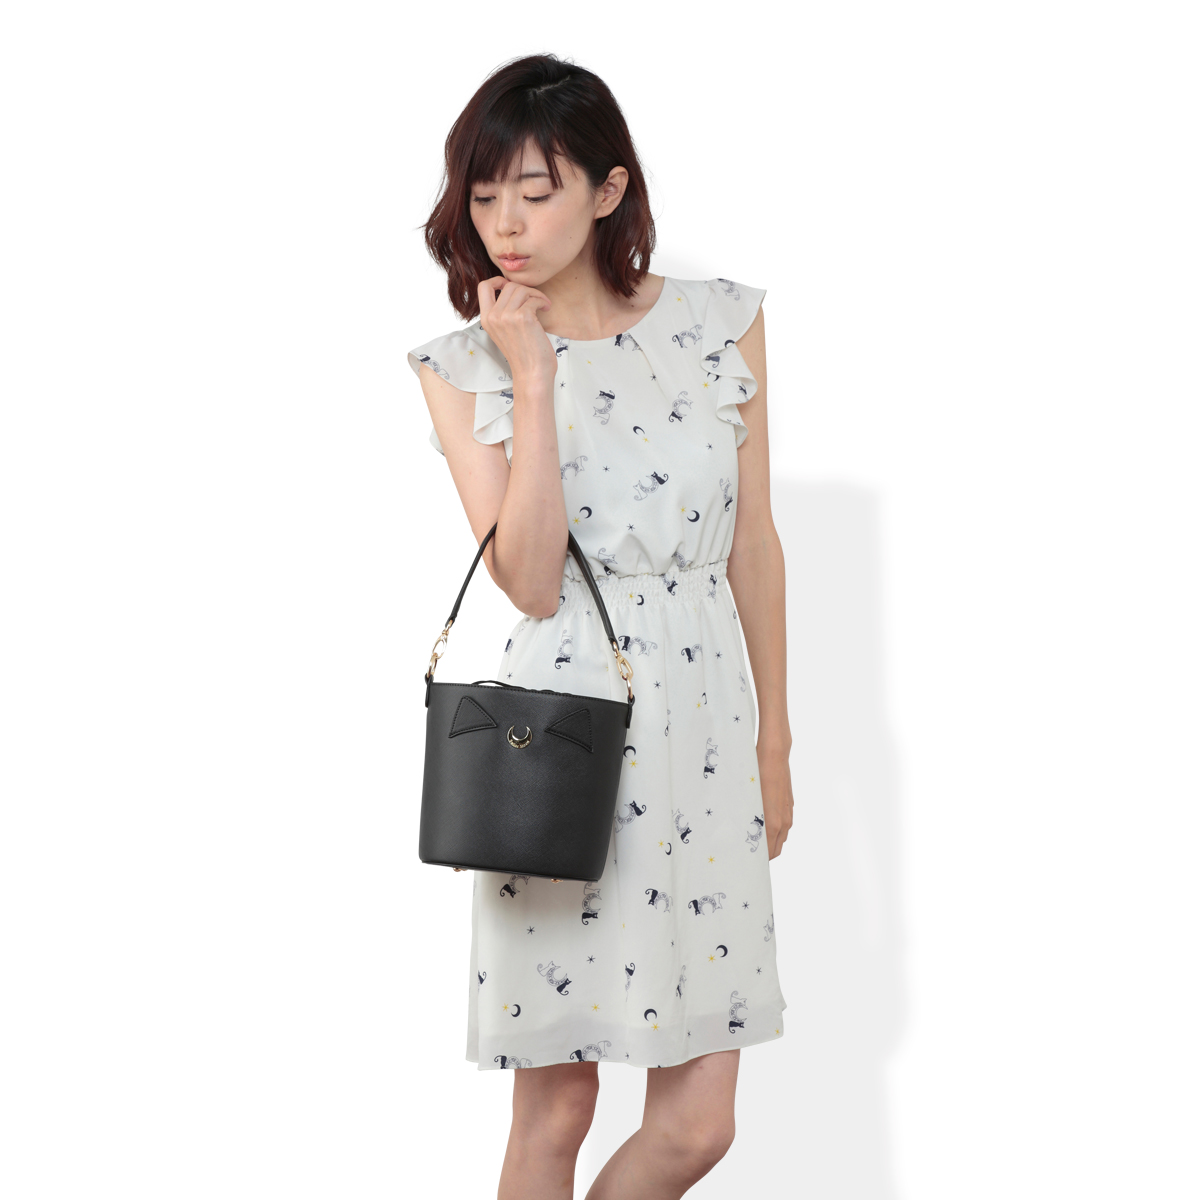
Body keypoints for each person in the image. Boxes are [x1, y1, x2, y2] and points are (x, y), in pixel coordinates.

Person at [407, 54, 794, 1200]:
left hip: (708, 735)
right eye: (484, 196)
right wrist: (532, 378)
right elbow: (529, 581)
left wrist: (776, 741)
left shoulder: (722, 325)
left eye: (536, 191)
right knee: (557, 1108)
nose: (506, 224)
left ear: (609, 189)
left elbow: (754, 545)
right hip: (561, 738)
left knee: (699, 1124)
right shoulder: (461, 368)